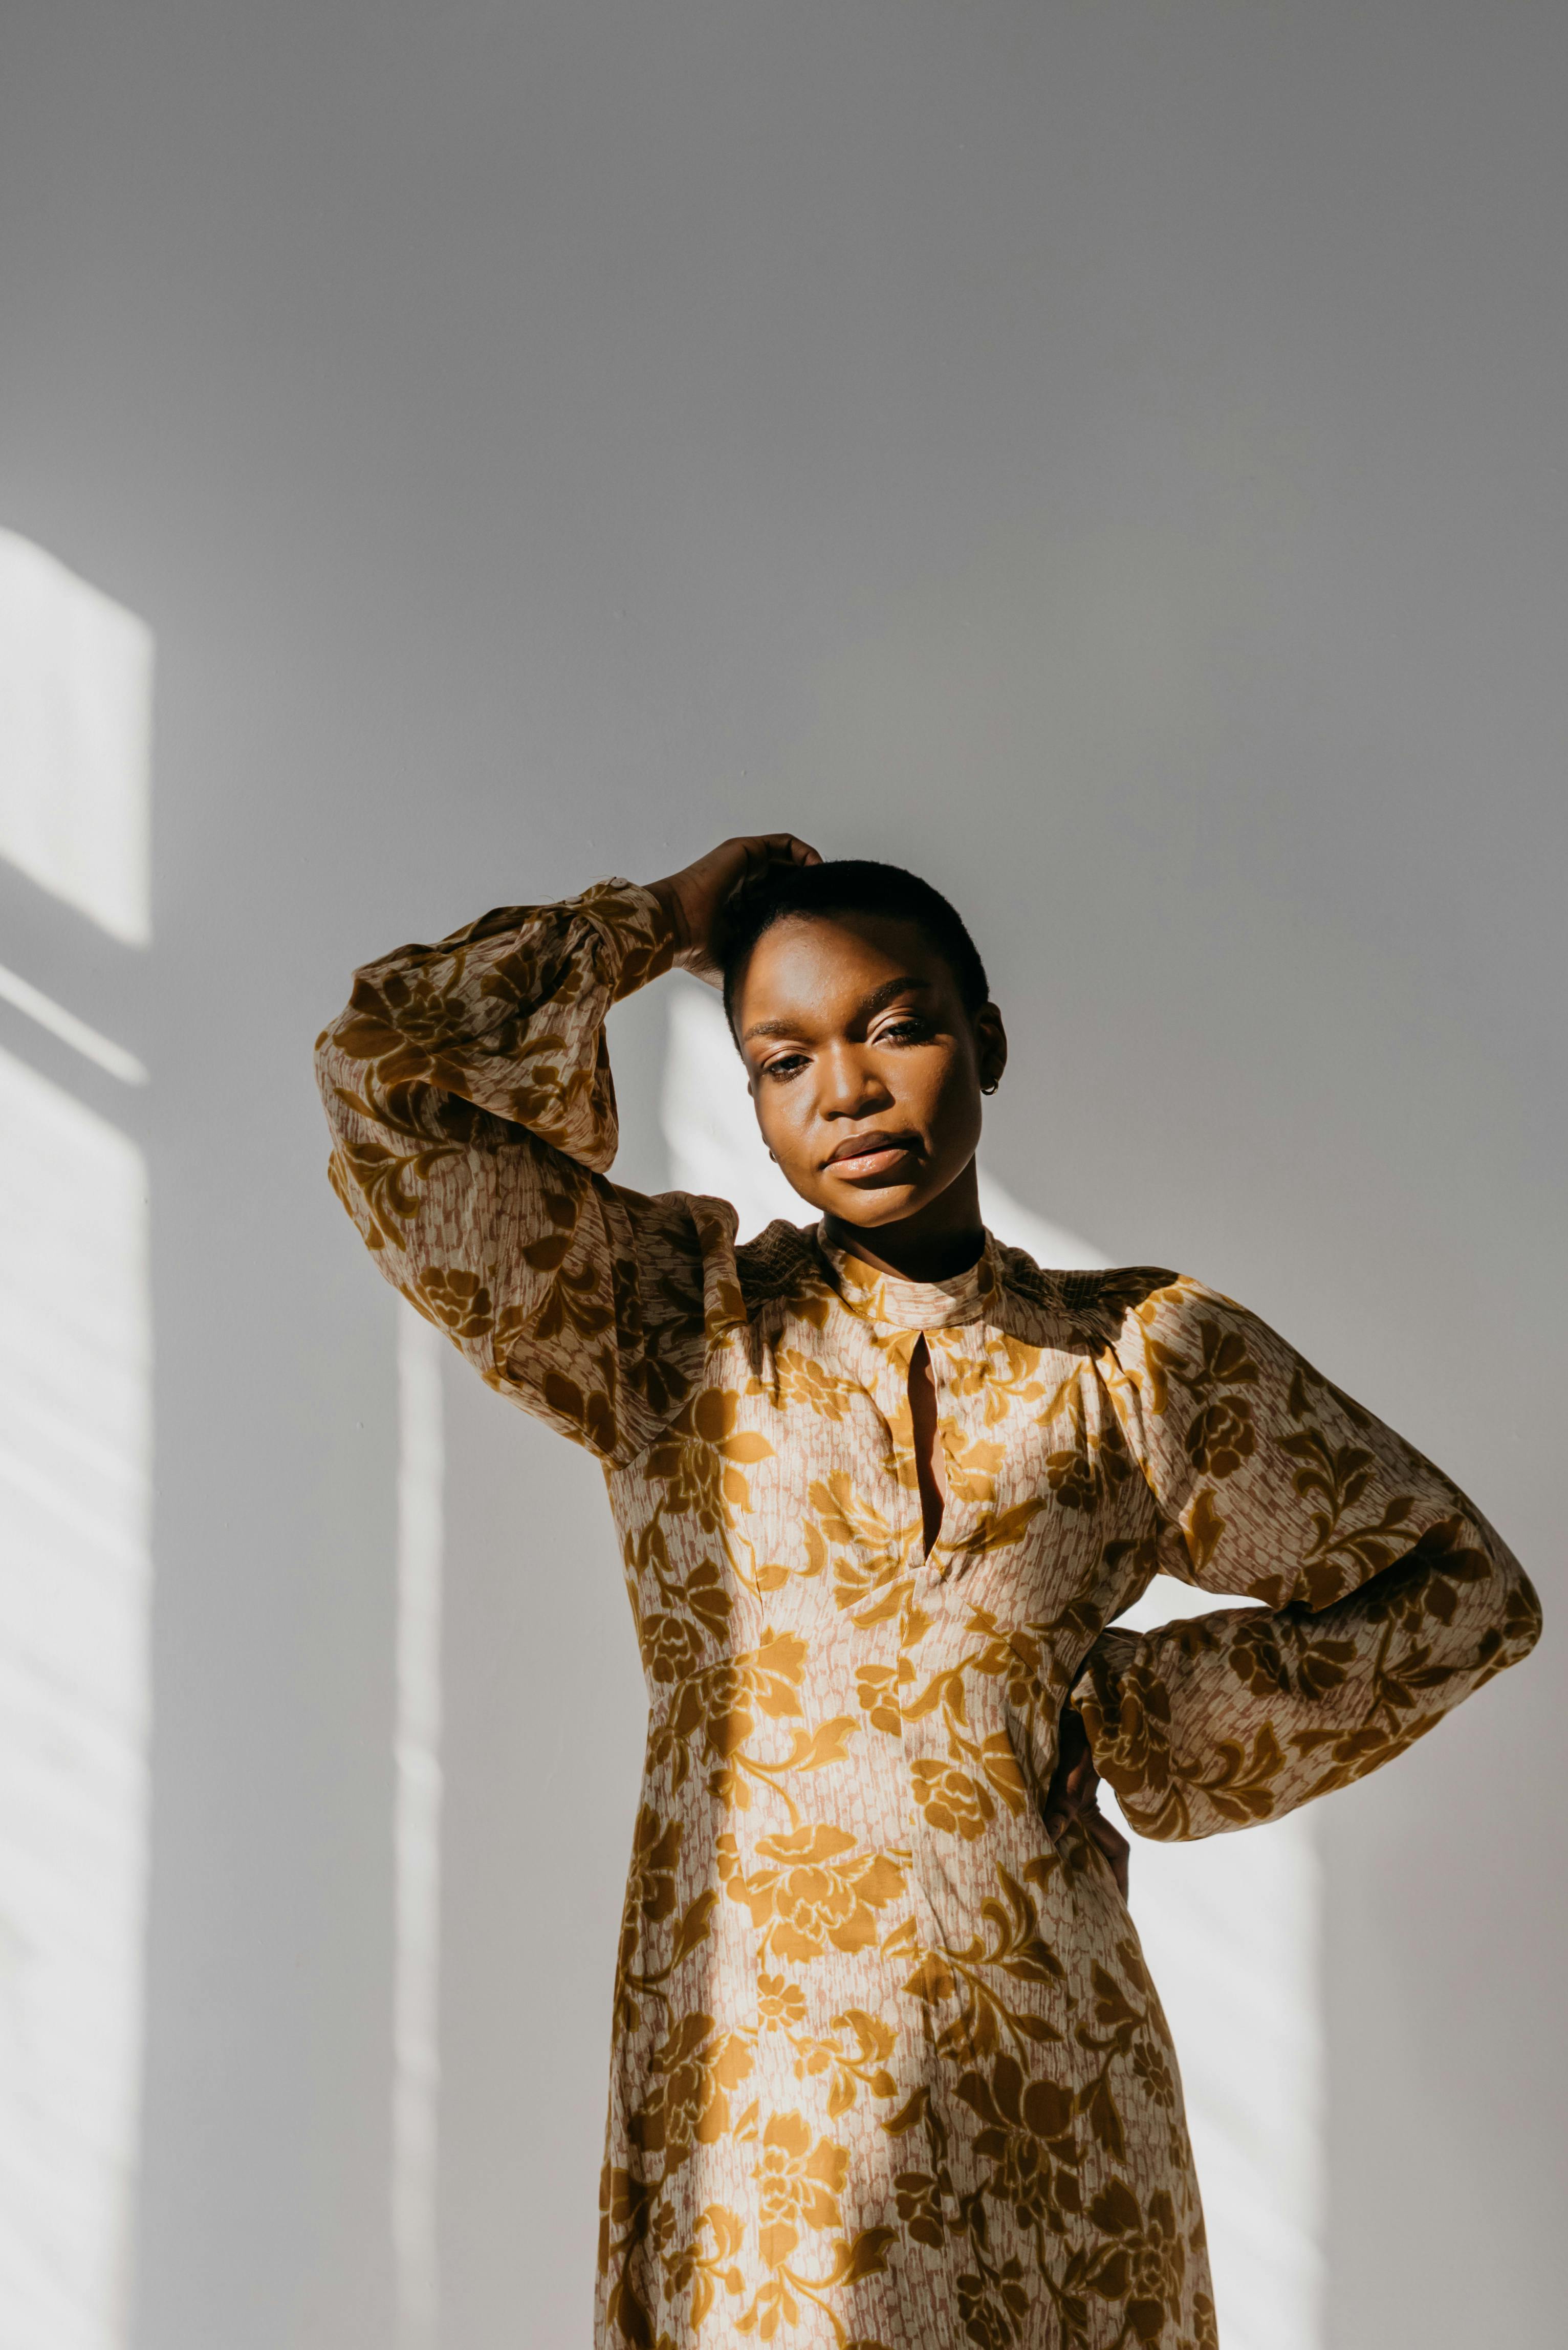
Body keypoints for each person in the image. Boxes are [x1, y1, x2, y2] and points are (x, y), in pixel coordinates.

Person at [316, 832, 1540, 2350]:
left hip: (1054, 2089)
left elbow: (1459, 1588)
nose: (845, 1088)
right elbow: (385, 1086)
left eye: (895, 1026)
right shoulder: (668, 1334)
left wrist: (1140, 1715)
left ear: (988, 1041)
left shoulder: (1143, 1361)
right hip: (759, 2108)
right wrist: (660, 921)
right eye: (783, 1059)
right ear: (757, 1102)